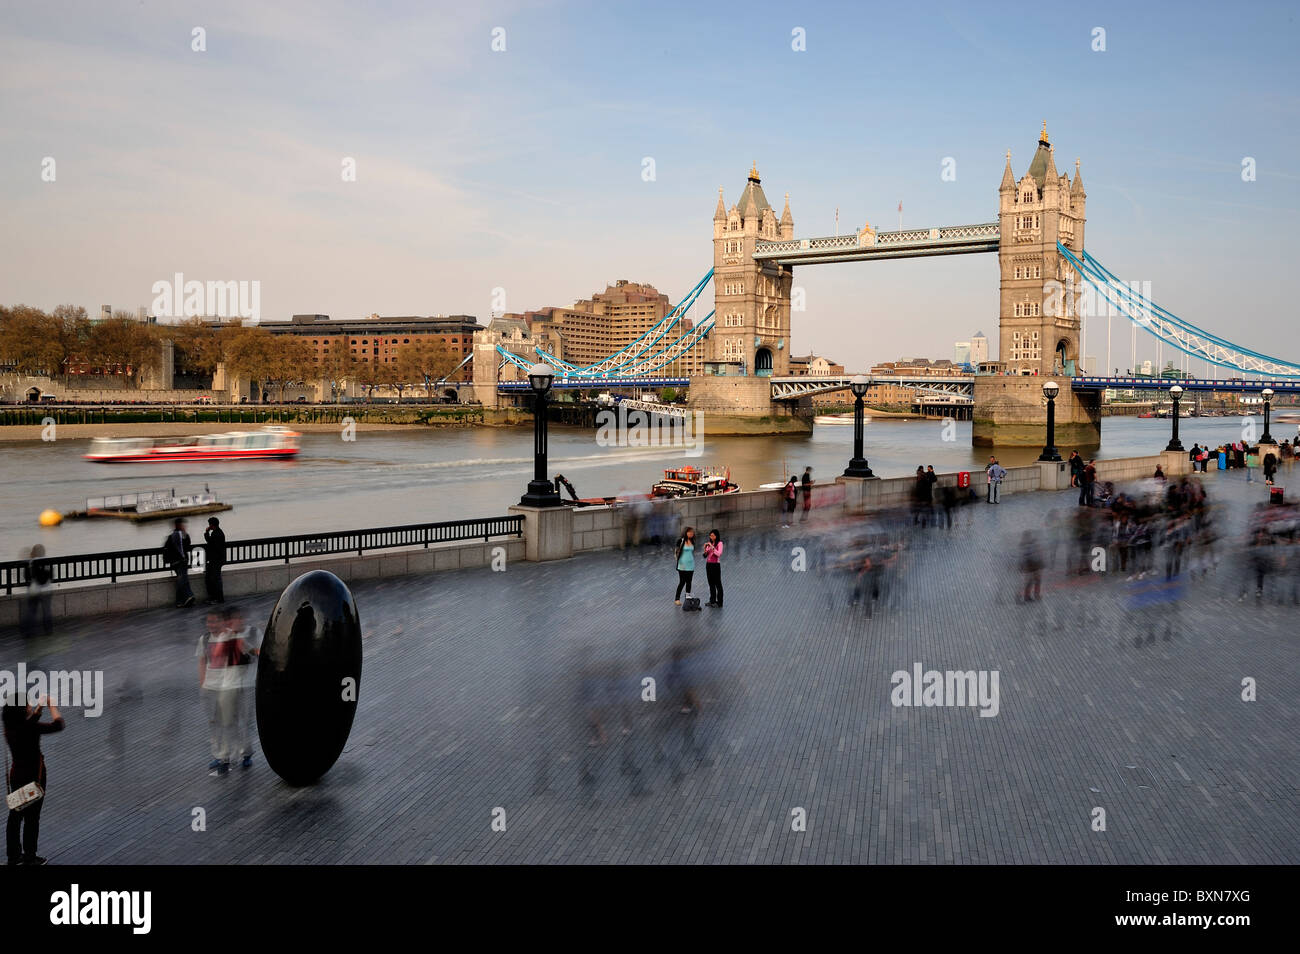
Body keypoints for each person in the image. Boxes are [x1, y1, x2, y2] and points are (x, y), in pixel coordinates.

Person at [4, 690, 64, 866]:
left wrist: (39, 708)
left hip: (16, 777)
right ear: (22, 709)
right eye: (28, 704)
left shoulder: (10, 725)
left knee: (15, 817)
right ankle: (30, 857)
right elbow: (58, 725)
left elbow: (28, 724)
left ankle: (13, 857)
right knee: (32, 818)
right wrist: (52, 706)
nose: (30, 705)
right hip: (34, 778)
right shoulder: (29, 727)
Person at [20, 544, 52, 639]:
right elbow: (51, 575)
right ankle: (48, 630)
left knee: (31, 611)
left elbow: (27, 577)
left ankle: (29, 632)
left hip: (34, 591)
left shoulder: (31, 562)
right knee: (47, 611)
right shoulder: (47, 561)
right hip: (46, 590)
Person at [163, 518, 195, 608]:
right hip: (180, 561)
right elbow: (187, 545)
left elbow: (187, 544)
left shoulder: (173, 536)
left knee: (182, 579)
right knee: (182, 580)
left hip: (177, 562)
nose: (183, 526)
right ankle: (188, 596)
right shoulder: (176, 536)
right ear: (178, 525)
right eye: (181, 525)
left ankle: (182, 601)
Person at [203, 517, 226, 604]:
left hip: (215, 560)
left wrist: (206, 532)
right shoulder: (218, 532)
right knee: (212, 579)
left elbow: (211, 543)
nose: (209, 526)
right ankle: (215, 598)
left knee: (215, 579)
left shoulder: (216, 534)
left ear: (212, 525)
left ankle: (218, 598)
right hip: (217, 559)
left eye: (209, 524)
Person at [674, 526, 696, 605]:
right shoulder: (680, 541)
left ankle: (688, 599)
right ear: (685, 532)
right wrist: (679, 561)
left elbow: (691, 552)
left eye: (692, 532)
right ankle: (677, 599)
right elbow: (676, 552)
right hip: (682, 565)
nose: (691, 533)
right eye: (689, 532)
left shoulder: (692, 541)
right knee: (682, 582)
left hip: (691, 565)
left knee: (689, 582)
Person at [702, 529, 724, 608]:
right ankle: (712, 600)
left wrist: (712, 547)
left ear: (716, 536)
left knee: (718, 584)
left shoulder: (720, 543)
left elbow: (719, 554)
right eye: (710, 536)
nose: (711, 537)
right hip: (709, 565)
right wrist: (705, 549)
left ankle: (720, 602)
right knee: (711, 583)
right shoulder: (710, 543)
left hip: (716, 566)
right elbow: (705, 556)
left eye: (713, 536)